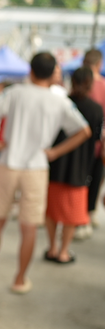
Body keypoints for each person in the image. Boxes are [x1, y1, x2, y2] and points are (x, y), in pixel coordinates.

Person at [0, 52, 90, 294]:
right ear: (53, 72)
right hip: (37, 167)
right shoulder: (59, 101)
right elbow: (84, 131)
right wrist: (53, 152)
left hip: (8, 163)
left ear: (30, 71)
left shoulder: (16, 93)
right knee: (29, 227)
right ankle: (20, 279)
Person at [44, 67, 102, 264]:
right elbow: (94, 139)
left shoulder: (62, 103)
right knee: (71, 213)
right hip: (81, 168)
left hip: (56, 165)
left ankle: (52, 247)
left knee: (51, 210)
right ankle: (64, 251)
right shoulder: (96, 109)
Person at [76, 49, 105, 239]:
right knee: (94, 180)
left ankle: (78, 217)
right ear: (99, 64)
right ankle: (87, 215)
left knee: (78, 180)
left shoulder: (78, 83)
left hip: (75, 144)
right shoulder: (103, 85)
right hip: (97, 143)